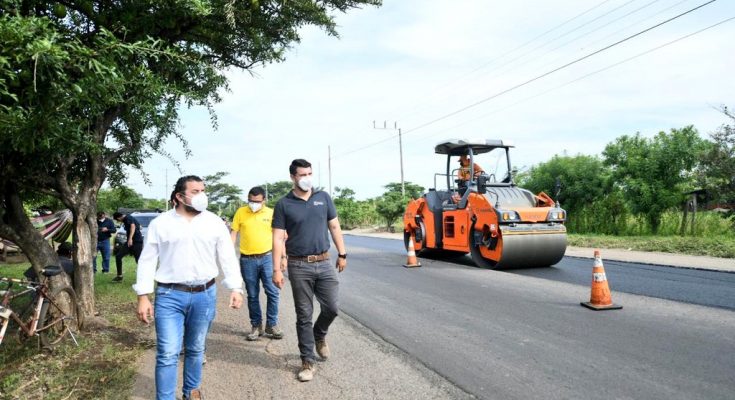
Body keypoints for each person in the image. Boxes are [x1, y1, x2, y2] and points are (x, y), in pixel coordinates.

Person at [134, 175, 244, 400]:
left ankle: (191, 392)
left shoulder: (214, 222)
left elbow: (227, 256)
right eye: (195, 191)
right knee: (168, 353)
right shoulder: (161, 224)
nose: (202, 195)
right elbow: (147, 260)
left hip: (205, 295)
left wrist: (235, 287)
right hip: (169, 295)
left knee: (196, 348)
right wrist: (143, 296)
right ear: (180, 196)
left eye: (203, 190)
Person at [272, 159, 347, 382]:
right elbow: (277, 238)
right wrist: (277, 269)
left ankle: (319, 335)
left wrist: (342, 253)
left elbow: (334, 226)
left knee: (332, 308)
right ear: (293, 177)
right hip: (298, 265)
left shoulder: (323, 197)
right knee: (304, 315)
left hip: (324, 262)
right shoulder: (284, 204)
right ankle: (307, 361)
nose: (307, 178)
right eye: (302, 174)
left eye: (310, 173)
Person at [231, 186, 284, 341]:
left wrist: (283, 257)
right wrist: (228, 255)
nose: (253, 204)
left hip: (267, 258)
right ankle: (256, 326)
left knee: (273, 292)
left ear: (264, 200)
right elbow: (233, 234)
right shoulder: (241, 212)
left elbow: (279, 238)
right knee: (253, 295)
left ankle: (271, 324)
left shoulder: (271, 213)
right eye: (251, 201)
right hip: (247, 260)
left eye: (257, 201)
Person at [113, 211, 144, 282]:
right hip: (129, 242)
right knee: (118, 256)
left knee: (138, 260)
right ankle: (119, 276)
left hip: (136, 242)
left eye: (117, 220)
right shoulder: (128, 218)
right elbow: (140, 227)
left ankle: (144, 277)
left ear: (118, 218)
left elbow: (133, 226)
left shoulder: (128, 218)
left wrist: (130, 239)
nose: (118, 221)